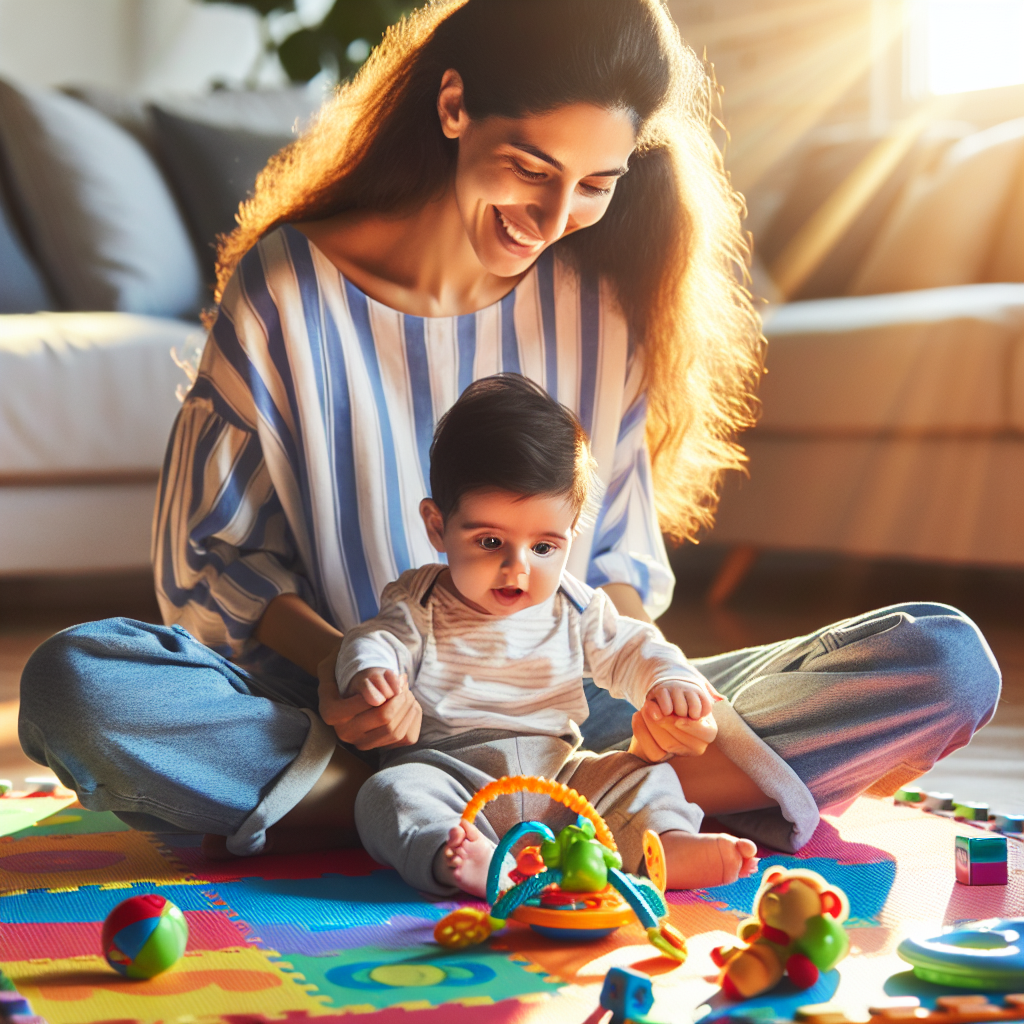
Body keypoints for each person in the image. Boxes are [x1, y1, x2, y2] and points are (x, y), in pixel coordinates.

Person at [19, 0, 999, 866]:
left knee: (944, 661)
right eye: (531, 167)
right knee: (79, 687)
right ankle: (493, 805)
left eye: (595, 182)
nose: (553, 216)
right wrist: (346, 672)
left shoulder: (602, 296)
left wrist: (657, 692)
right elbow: (218, 557)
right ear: (453, 108)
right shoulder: (287, 287)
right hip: (347, 716)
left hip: (570, 716)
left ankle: (425, 813)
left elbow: (614, 557)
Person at [340, 374, 765, 894]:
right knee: (386, 793)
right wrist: (372, 673)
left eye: (544, 547)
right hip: (448, 773)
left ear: (570, 537)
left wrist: (668, 681)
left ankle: (665, 844)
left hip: (560, 777)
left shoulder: (575, 606)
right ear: (437, 527)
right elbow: (373, 640)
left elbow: (634, 646)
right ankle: (456, 854)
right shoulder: (420, 601)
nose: (516, 568)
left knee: (642, 775)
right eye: (490, 540)